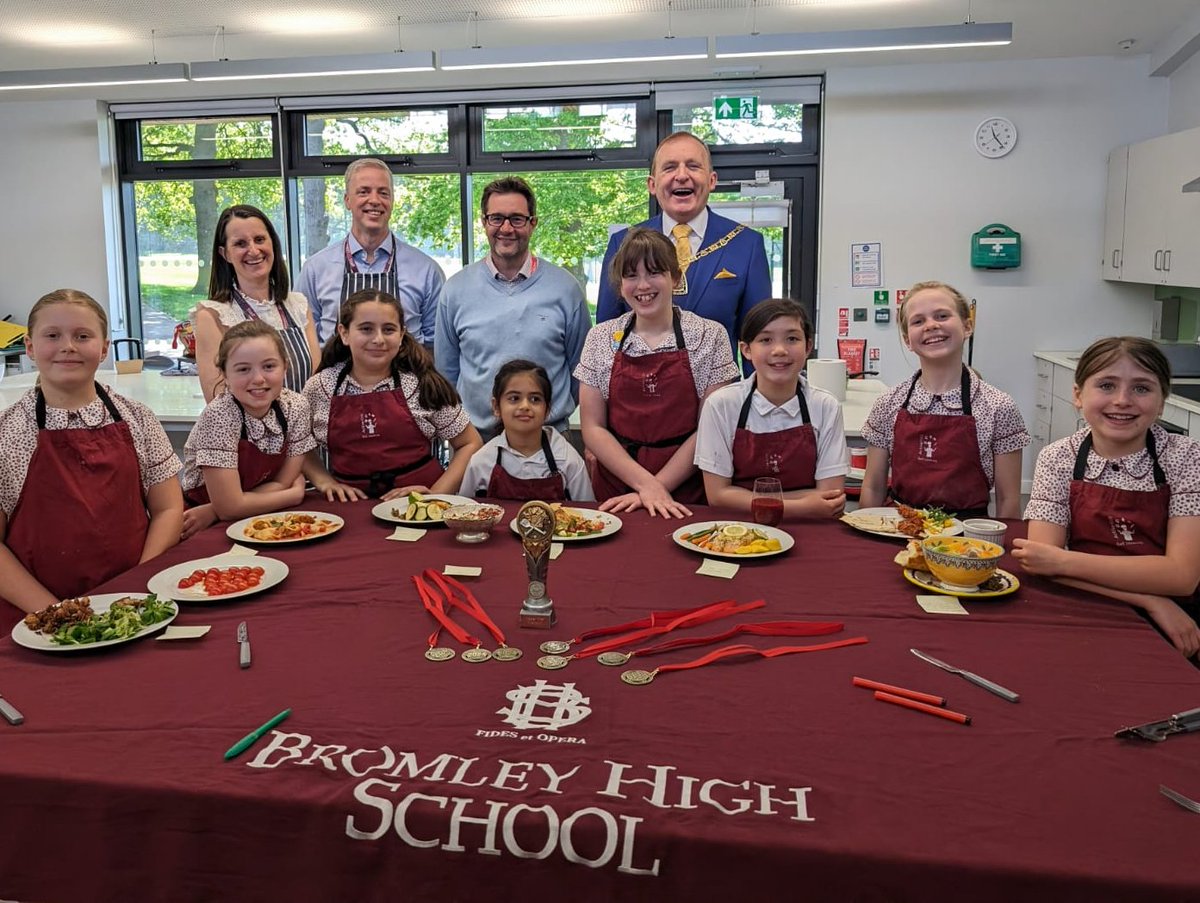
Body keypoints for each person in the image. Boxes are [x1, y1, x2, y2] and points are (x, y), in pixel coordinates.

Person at [0, 289, 182, 627]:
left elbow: (169, 509)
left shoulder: (138, 418)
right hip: (36, 620)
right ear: (29, 347)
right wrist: (56, 613)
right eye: (52, 335)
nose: (67, 345)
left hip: (134, 608)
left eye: (82, 336)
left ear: (103, 349)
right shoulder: (7, 434)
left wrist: (135, 588)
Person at [1014, 337, 1200, 658]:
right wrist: (1151, 600)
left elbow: (1182, 577)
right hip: (1084, 610)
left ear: (1162, 401)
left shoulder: (1186, 458)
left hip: (1178, 625)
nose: (1122, 400)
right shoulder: (1057, 458)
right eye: (1107, 385)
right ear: (1078, 395)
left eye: (1142, 388)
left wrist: (1065, 560)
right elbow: (1043, 564)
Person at [577, 228, 738, 518]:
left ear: (675, 278)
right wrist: (644, 486)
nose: (642, 285)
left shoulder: (710, 336)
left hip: (688, 489)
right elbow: (593, 428)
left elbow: (711, 429)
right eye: (631, 276)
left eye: (654, 272)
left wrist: (657, 487)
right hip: (617, 490)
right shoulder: (600, 338)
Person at [435, 177, 590, 440]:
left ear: (533, 223)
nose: (506, 228)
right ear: (484, 222)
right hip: (476, 441)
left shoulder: (565, 288)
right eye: (496, 218)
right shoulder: (455, 290)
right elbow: (446, 375)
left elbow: (582, 371)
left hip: (550, 439)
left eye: (517, 219)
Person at [595, 132, 771, 361]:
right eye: (669, 168)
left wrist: (754, 396)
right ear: (652, 184)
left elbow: (758, 340)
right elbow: (607, 337)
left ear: (712, 180)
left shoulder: (746, 244)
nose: (681, 176)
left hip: (719, 393)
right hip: (638, 391)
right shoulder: (624, 243)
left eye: (693, 166)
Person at [859, 280, 1028, 519]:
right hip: (898, 529)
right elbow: (873, 487)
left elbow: (1008, 499)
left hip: (968, 540)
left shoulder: (998, 406)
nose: (931, 325)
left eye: (942, 315)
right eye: (918, 321)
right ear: (908, 340)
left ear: (968, 326)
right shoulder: (888, 403)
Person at [302, 289, 481, 502]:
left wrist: (436, 494)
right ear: (344, 333)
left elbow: (470, 443)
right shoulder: (320, 387)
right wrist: (324, 481)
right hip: (348, 508)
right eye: (366, 329)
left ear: (401, 334)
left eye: (388, 329)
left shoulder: (422, 385)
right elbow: (298, 443)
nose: (378, 339)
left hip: (417, 509)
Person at [696, 299, 847, 519]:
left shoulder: (825, 406)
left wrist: (743, 497)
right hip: (739, 528)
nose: (779, 350)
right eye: (766, 340)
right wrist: (803, 505)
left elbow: (829, 496)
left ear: (808, 347)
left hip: (810, 528)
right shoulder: (721, 405)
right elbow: (718, 496)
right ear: (746, 350)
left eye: (792, 339)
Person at [179, 321, 317, 540]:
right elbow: (230, 508)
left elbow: (281, 481)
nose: (259, 379)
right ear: (224, 374)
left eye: (269, 366)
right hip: (202, 523)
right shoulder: (219, 416)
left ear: (285, 366)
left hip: (257, 514)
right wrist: (292, 495)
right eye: (243, 369)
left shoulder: (296, 407)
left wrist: (220, 508)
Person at [298, 158, 445, 350]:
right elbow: (305, 342)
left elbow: (437, 345)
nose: (374, 200)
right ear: (347, 200)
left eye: (383, 193)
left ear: (392, 201)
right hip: (335, 379)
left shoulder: (426, 270)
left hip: (407, 378)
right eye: (364, 192)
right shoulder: (315, 269)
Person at [193, 205, 320, 402]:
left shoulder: (299, 305)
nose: (253, 250)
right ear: (224, 253)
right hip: (249, 432)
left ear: (273, 244)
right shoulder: (213, 315)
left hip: (303, 429)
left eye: (260, 240)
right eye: (240, 244)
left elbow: (316, 385)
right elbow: (217, 399)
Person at [458, 360, 593, 502]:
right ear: (496, 406)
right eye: (514, 398)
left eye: (535, 399)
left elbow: (587, 514)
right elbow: (464, 515)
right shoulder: (481, 462)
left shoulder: (568, 460)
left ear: (547, 409)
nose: (524, 406)